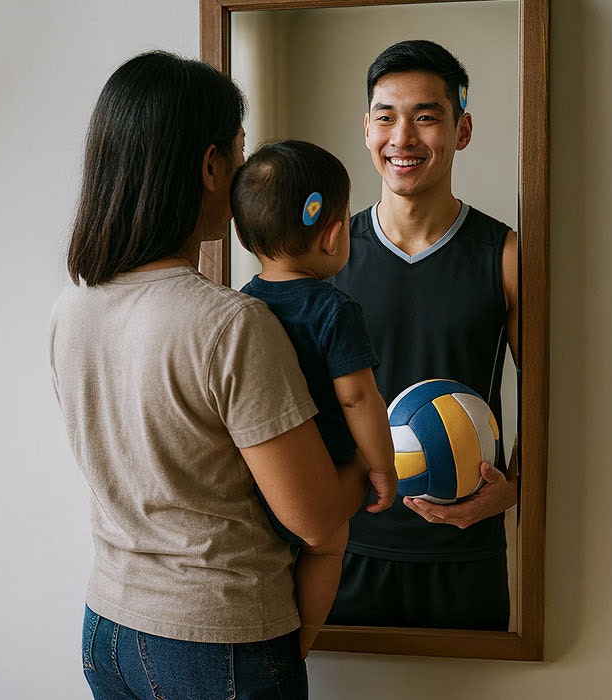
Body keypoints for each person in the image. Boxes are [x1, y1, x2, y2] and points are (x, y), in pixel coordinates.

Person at [51, 52, 380, 699]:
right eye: (237, 154)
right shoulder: (230, 324)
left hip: (108, 627)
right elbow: (314, 521)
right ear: (209, 168)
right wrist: (372, 472)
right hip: (215, 641)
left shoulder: (72, 307)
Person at [326, 40, 522, 631]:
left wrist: (514, 489)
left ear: (462, 130)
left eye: (426, 117)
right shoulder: (328, 256)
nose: (403, 138)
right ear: (366, 130)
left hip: (463, 549)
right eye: (386, 117)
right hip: (347, 549)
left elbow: (551, 396)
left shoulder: (506, 254)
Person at [229, 139, 399, 654]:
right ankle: (297, 645)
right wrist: (383, 467)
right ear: (332, 235)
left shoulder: (241, 306)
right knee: (327, 548)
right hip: (317, 479)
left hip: (257, 478)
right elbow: (358, 400)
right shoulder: (334, 311)